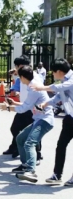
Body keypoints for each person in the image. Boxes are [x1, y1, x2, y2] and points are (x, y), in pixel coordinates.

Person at [0, 65, 54, 183]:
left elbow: (25, 108)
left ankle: (31, 171)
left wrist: (9, 108)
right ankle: (25, 165)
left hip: (45, 120)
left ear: (23, 77)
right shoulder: (32, 83)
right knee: (20, 138)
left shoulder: (33, 87)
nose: (19, 80)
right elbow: (28, 105)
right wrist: (15, 103)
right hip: (38, 119)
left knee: (30, 143)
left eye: (19, 77)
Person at [30, 58, 73, 186]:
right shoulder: (64, 80)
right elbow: (59, 95)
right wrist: (46, 103)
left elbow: (60, 87)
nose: (53, 75)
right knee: (61, 145)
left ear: (59, 71)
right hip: (70, 118)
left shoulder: (70, 80)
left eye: (53, 72)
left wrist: (42, 87)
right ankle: (57, 175)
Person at [3, 55, 43, 165]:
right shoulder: (23, 75)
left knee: (33, 133)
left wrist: (9, 107)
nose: (16, 68)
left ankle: (37, 155)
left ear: (22, 66)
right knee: (15, 128)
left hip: (33, 109)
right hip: (25, 106)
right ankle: (16, 148)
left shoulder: (34, 77)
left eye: (17, 66)